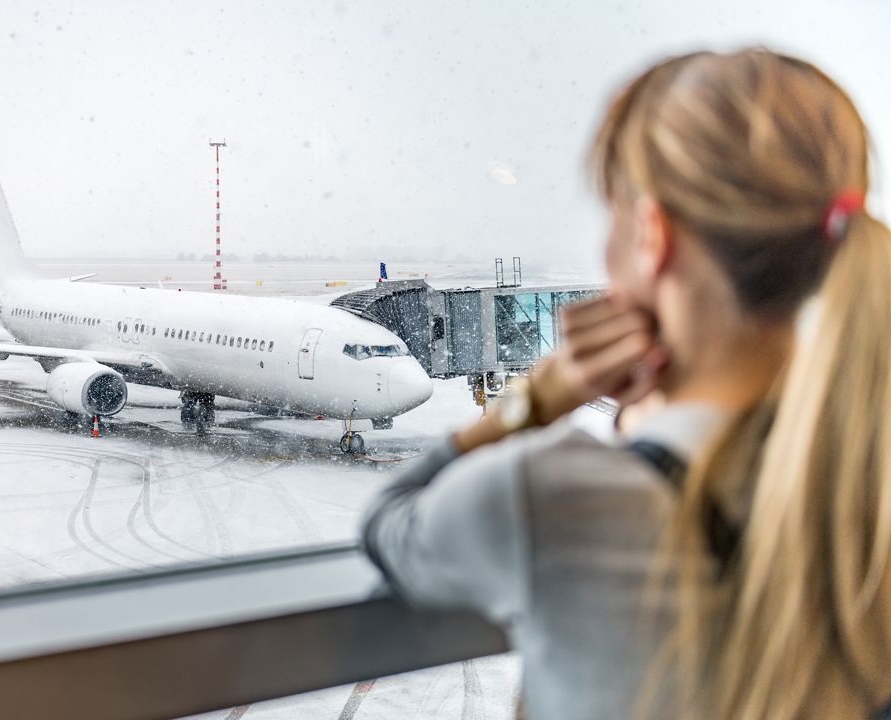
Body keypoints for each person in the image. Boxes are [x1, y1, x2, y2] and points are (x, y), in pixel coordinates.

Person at [363, 48, 891, 720]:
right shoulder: (866, 485)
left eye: (612, 213)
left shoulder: (554, 496)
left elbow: (388, 523)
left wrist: (534, 403)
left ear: (652, 236)